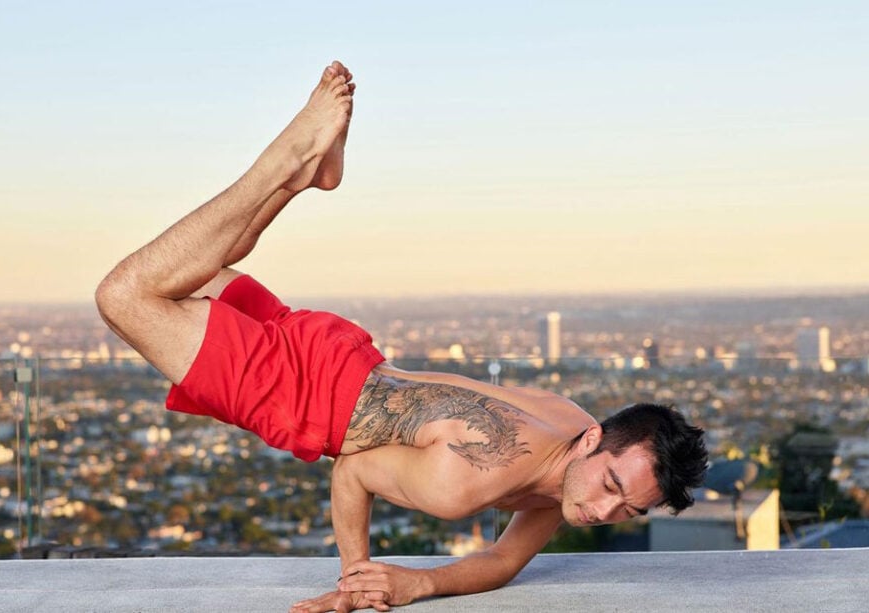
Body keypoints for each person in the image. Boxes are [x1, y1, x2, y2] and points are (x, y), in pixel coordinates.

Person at [95, 61, 708, 613]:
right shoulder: (472, 480)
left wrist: (423, 583)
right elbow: (352, 474)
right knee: (125, 295)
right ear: (595, 442)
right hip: (305, 396)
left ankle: (306, 177)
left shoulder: (570, 433)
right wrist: (355, 578)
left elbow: (500, 562)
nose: (602, 513)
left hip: (344, 356)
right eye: (610, 488)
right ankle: (283, 163)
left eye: (629, 510)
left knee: (194, 267)